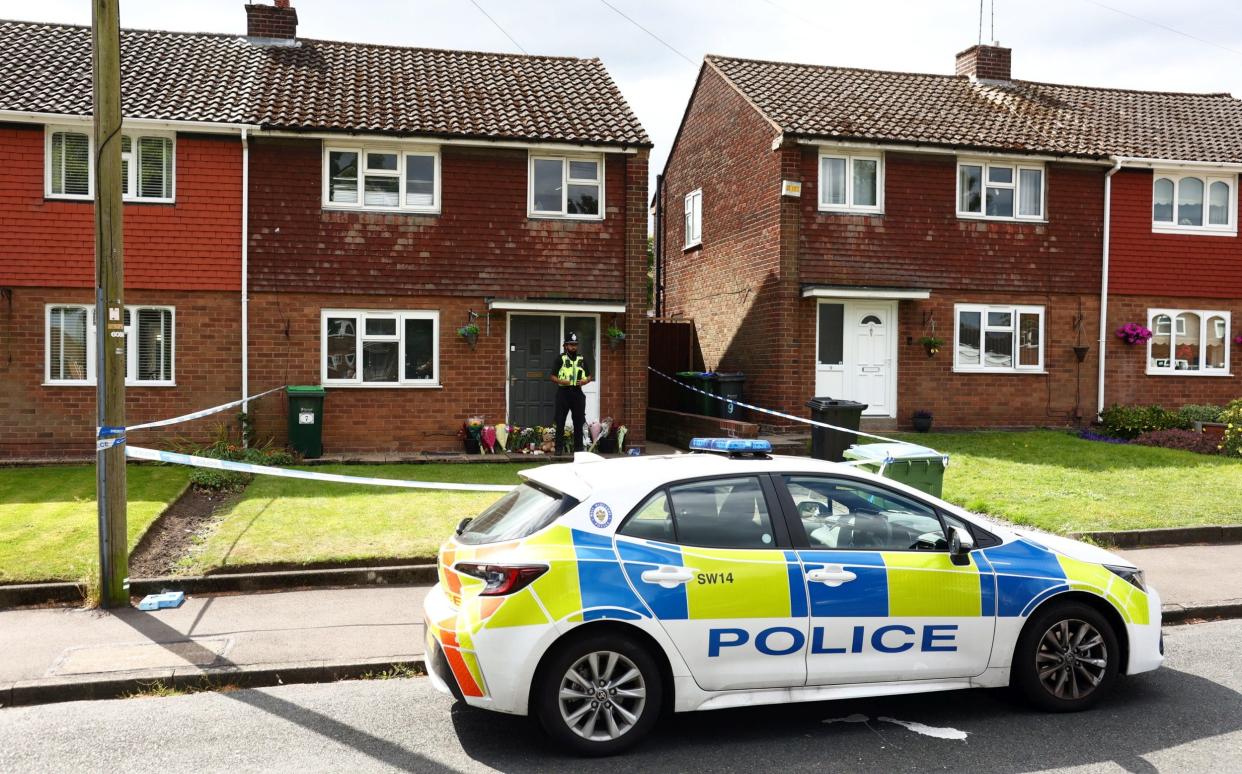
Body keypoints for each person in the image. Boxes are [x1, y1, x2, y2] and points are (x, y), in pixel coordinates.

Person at [551, 332, 592, 453]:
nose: (574, 347)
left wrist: (585, 381)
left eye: (575, 344)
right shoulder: (560, 359)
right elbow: (552, 376)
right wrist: (561, 381)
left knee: (578, 421)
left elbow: (589, 376)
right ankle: (558, 449)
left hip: (577, 393)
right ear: (565, 346)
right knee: (560, 421)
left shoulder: (582, 359)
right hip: (563, 393)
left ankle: (578, 449)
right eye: (571, 344)